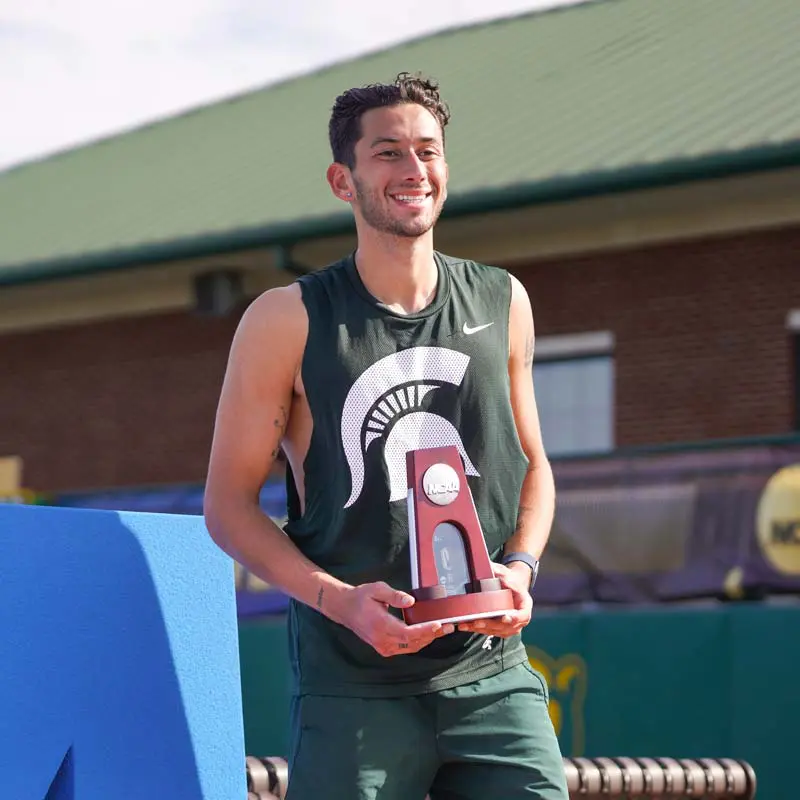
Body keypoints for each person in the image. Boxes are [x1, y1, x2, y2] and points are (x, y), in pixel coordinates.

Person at [204, 72, 568, 800]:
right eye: (389, 153)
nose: (413, 171)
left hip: (491, 671)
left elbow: (534, 470)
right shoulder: (287, 320)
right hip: (353, 689)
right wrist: (339, 601)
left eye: (427, 151)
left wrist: (521, 570)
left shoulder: (503, 300)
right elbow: (228, 508)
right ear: (344, 180)